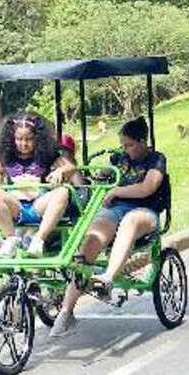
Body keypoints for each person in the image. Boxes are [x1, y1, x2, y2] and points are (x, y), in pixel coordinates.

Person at [50, 116, 166, 338]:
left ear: (143, 141)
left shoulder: (156, 159)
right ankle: (66, 312)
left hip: (145, 211)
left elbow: (147, 187)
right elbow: (103, 178)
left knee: (130, 222)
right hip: (115, 210)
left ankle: (108, 279)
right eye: (123, 145)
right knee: (92, 238)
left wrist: (117, 191)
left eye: (130, 145)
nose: (125, 149)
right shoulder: (118, 159)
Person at [0, 113, 79, 258]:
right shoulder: (7, 156)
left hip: (39, 205)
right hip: (17, 206)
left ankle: (39, 239)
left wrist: (60, 171)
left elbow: (71, 168)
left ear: (37, 138)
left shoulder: (47, 154)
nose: (23, 144)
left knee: (62, 192)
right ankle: (11, 238)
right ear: (12, 138)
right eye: (19, 139)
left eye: (28, 139)